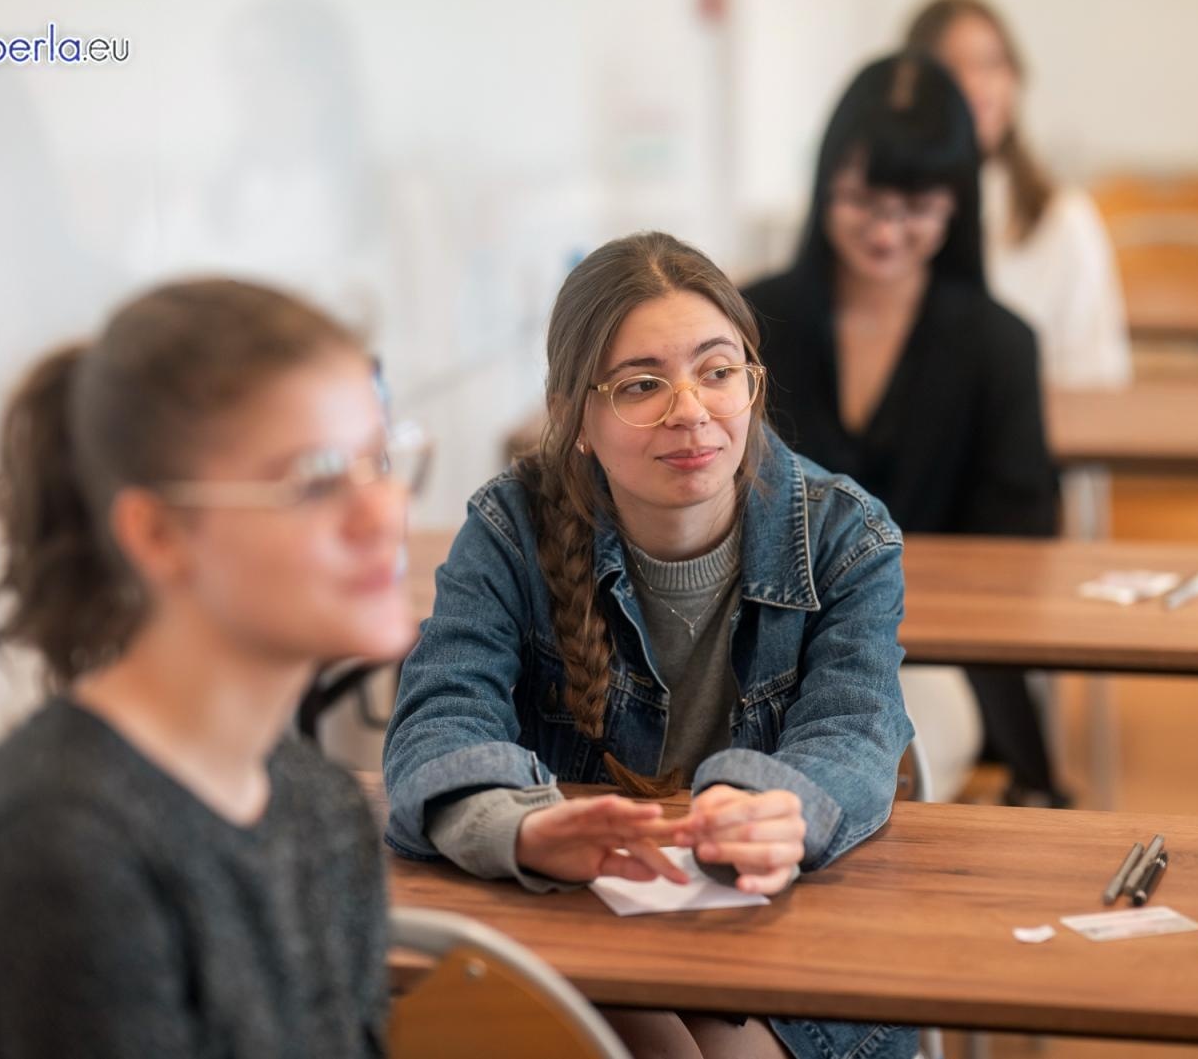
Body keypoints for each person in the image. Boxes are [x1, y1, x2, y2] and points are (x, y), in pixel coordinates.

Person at [384, 231, 916, 1059]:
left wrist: (775, 810)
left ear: (753, 383)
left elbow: (856, 729)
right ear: (575, 419)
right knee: (637, 1034)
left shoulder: (846, 534)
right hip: (583, 920)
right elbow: (438, 721)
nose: (691, 411)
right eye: (642, 384)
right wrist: (522, 829)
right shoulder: (509, 529)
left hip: (783, 923)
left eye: (717, 370)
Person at [0, 279, 427, 1058]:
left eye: (382, 462)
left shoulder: (320, 804)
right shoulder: (63, 848)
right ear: (159, 534)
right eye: (317, 479)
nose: (387, 512)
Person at [742, 52, 1069, 807]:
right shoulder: (749, 325)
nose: (887, 233)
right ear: (825, 185)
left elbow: (1018, 549)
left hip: (937, 649)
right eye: (863, 201)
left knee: (872, 756)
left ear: (957, 206)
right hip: (764, 644)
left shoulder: (999, 346)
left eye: (917, 208)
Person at [906, 0, 1133, 390]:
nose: (975, 85)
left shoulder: (1061, 217)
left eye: (991, 64)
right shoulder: (887, 219)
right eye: (951, 68)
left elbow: (1099, 378)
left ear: (1015, 79)